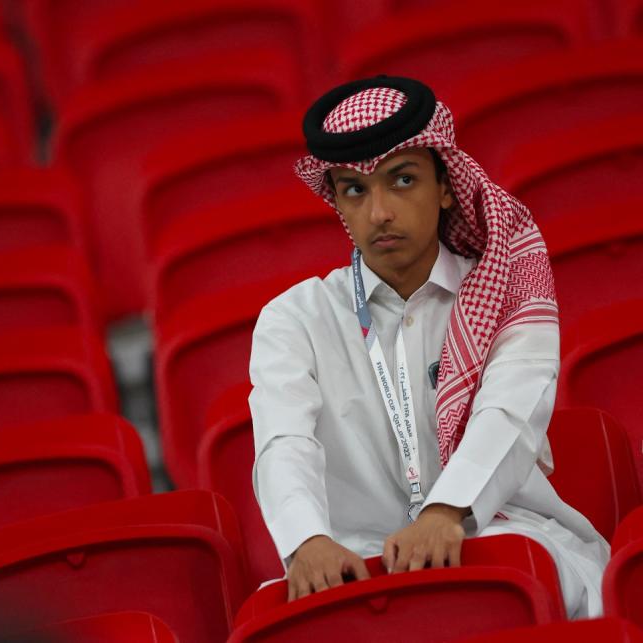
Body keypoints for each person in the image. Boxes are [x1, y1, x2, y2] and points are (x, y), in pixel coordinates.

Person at [248, 76, 609, 617]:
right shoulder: (294, 319)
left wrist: (444, 513)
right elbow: (284, 441)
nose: (379, 213)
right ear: (338, 205)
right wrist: (305, 541)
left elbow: (508, 413)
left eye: (402, 181)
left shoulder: (506, 282)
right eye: (355, 189)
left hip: (497, 531)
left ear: (445, 186)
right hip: (357, 559)